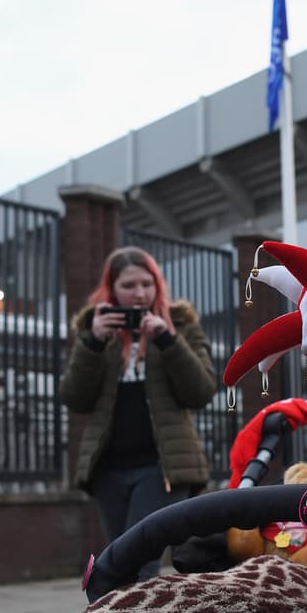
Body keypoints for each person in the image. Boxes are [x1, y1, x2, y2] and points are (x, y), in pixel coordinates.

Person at [58, 247, 219, 579]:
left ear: (158, 284)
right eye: (129, 285)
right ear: (112, 288)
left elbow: (202, 390)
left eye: (147, 284)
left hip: (163, 468)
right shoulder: (94, 329)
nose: (140, 293)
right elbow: (74, 398)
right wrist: (93, 344)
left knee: (141, 558)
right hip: (108, 470)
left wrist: (167, 340)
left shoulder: (181, 324)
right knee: (118, 559)